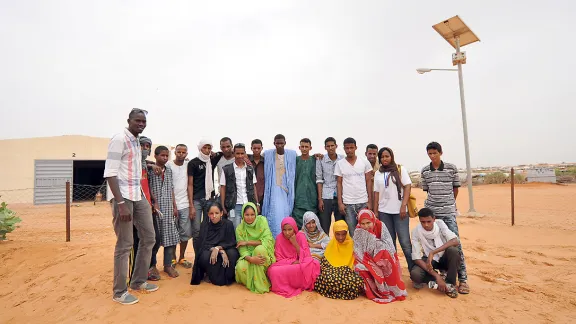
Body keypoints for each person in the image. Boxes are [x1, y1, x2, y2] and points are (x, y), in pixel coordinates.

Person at [104, 108, 158, 305]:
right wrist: (120, 203)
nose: (141, 124)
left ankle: (138, 281)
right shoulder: (119, 139)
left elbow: (139, 165)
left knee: (149, 237)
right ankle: (119, 292)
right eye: (138, 121)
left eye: (144, 121)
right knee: (125, 243)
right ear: (129, 120)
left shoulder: (136, 141)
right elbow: (110, 173)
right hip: (123, 197)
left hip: (137, 194)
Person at [420, 141, 469, 294]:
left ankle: (463, 280)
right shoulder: (425, 171)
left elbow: (455, 189)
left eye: (435, 153)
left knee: (455, 245)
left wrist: (449, 204)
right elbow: (427, 191)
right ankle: (443, 274)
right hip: (432, 214)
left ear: (441, 153)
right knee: (434, 244)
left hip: (448, 213)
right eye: (430, 153)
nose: (432, 156)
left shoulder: (451, 168)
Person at [354, 209, 407, 304]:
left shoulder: (381, 225)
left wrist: (374, 243)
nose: (365, 226)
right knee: (359, 268)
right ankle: (375, 292)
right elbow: (358, 250)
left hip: (381, 257)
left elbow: (389, 244)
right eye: (363, 223)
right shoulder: (358, 230)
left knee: (386, 255)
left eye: (368, 223)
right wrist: (369, 261)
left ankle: (391, 289)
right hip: (366, 258)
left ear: (373, 220)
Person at [373, 147, 414, 271]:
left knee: (405, 243)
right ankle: (395, 272)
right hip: (384, 212)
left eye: (387, 156)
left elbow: (407, 186)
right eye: (382, 157)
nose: (385, 159)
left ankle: (414, 271)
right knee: (390, 244)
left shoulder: (400, 170)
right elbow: (376, 193)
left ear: (391, 157)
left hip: (400, 212)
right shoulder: (378, 173)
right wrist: (375, 211)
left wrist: (403, 205)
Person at [129, 136, 161, 282]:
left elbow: (145, 185)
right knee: (136, 241)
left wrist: (152, 199)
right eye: (143, 146)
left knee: (155, 238)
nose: (145, 149)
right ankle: (135, 274)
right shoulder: (132, 165)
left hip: (148, 206)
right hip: (134, 208)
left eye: (148, 146)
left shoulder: (144, 166)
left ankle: (148, 267)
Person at [410, 208, 461, 298]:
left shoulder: (440, 224)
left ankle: (450, 284)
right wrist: (437, 276)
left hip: (444, 257)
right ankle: (439, 280)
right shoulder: (416, 231)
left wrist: (433, 252)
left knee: (454, 251)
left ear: (434, 219)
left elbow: (455, 241)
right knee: (415, 275)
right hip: (429, 261)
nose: (426, 225)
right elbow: (416, 258)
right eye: (423, 222)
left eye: (429, 221)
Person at [148, 146, 181, 278]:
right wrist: (153, 201)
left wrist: (174, 206)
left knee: (170, 238)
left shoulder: (169, 171)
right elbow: (146, 187)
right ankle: (152, 266)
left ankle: (168, 265)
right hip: (154, 209)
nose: (165, 158)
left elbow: (171, 189)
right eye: (162, 155)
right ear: (155, 156)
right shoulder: (149, 171)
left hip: (168, 208)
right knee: (154, 239)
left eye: (167, 156)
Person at [267, 217, 320, 298]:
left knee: (314, 264)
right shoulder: (279, 238)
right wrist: (292, 262)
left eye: (290, 229)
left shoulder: (301, 236)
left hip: (300, 264)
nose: (287, 233)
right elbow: (279, 259)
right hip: (286, 265)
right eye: (284, 230)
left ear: (294, 228)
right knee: (273, 271)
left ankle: (299, 283)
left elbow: (307, 256)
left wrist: (295, 243)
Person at [191, 201, 239, 286]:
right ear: (208, 214)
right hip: (210, 249)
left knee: (233, 253)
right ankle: (210, 274)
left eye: (216, 213)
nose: (214, 216)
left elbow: (231, 242)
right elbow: (202, 244)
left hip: (225, 248)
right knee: (205, 256)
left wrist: (220, 248)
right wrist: (216, 249)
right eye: (211, 213)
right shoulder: (205, 225)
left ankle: (229, 277)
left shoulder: (228, 224)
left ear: (221, 213)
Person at [314, 220, 364, 300]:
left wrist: (344, 272)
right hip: (332, 274)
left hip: (347, 273)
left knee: (357, 281)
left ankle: (334, 291)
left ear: (347, 233)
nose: (341, 237)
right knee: (324, 278)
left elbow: (355, 264)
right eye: (338, 234)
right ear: (334, 233)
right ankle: (343, 292)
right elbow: (324, 264)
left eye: (343, 234)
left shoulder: (352, 244)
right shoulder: (331, 244)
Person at [335, 137, 373, 236]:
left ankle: (366, 251)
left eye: (351, 147)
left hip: (363, 202)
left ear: (356, 147)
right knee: (353, 232)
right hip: (348, 203)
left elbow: (369, 182)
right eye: (347, 148)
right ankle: (356, 252)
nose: (349, 150)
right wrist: (340, 203)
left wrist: (370, 201)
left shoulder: (364, 162)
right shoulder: (340, 164)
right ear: (344, 149)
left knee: (366, 231)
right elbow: (339, 183)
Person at [235, 202, 275, 294]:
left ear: (256, 214)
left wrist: (248, 242)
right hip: (250, 256)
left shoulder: (262, 221)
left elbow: (267, 240)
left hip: (264, 252)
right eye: (247, 215)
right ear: (243, 215)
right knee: (241, 267)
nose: (250, 217)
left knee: (259, 249)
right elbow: (242, 250)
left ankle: (261, 283)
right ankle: (258, 281)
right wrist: (251, 259)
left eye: (252, 214)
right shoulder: (239, 229)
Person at [262, 134, 297, 237]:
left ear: (285, 143)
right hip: (273, 191)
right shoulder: (268, 155)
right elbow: (255, 156)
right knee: (274, 216)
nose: (280, 145)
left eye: (281, 143)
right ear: (274, 143)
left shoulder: (292, 155)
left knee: (285, 215)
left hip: (287, 192)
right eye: (277, 143)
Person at [219, 143, 259, 228]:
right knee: (234, 229)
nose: (240, 156)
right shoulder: (226, 169)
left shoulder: (250, 169)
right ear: (233, 153)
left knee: (249, 229)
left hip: (249, 204)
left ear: (245, 153)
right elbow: (223, 188)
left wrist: (257, 203)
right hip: (234, 205)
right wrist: (223, 206)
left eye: (242, 153)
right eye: (237, 153)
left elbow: (254, 187)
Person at [167, 144, 193, 269]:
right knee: (172, 233)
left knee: (185, 233)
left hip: (185, 205)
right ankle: (172, 259)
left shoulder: (188, 165)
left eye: (183, 152)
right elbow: (169, 186)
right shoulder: (168, 166)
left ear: (186, 154)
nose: (181, 154)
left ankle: (181, 257)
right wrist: (173, 205)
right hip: (172, 205)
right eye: (179, 152)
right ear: (175, 152)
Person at [187, 139, 218, 242]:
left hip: (209, 199)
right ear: (200, 148)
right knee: (196, 230)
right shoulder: (193, 163)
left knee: (208, 228)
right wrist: (191, 205)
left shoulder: (212, 160)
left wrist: (214, 153)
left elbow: (225, 152)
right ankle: (197, 255)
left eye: (209, 148)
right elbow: (190, 184)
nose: (207, 150)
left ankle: (205, 254)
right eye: (205, 147)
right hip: (197, 200)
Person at [315, 137, 344, 233]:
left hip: (340, 196)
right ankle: (325, 247)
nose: (330, 148)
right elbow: (319, 179)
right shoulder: (320, 159)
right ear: (325, 147)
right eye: (328, 146)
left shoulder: (343, 159)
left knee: (340, 225)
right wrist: (320, 199)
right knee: (324, 226)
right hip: (326, 196)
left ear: (336, 146)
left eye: (332, 145)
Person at [292, 138, 318, 228]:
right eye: (302, 146)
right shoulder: (295, 160)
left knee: (311, 225)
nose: (304, 149)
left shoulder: (315, 160)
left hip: (312, 198)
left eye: (306, 147)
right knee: (298, 226)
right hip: (298, 198)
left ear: (310, 148)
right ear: (299, 147)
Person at [249, 139, 265, 204]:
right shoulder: (247, 161)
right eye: (254, 148)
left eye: (258, 148)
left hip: (263, 196)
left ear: (262, 148)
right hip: (249, 195)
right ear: (251, 148)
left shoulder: (265, 162)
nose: (256, 150)